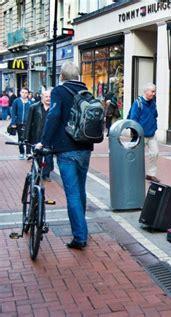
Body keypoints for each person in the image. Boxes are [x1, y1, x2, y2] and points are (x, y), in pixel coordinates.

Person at [38, 62, 93, 250]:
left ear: (61, 76)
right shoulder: (87, 91)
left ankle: (80, 236)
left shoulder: (59, 92)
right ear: (77, 75)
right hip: (85, 147)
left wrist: (43, 142)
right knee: (81, 189)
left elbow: (53, 117)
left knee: (72, 193)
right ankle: (82, 227)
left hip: (66, 148)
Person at [129, 83, 159, 182]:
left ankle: (151, 174)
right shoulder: (138, 103)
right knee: (137, 156)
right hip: (140, 134)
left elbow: (155, 115)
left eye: (154, 91)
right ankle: (135, 174)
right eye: (152, 91)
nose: (154, 94)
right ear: (146, 91)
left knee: (154, 153)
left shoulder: (153, 103)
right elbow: (133, 119)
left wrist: (154, 127)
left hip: (151, 134)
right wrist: (136, 133)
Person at [24, 88, 54, 181]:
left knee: (49, 158)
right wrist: (26, 138)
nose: (48, 98)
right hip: (37, 136)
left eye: (50, 96)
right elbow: (28, 123)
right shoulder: (34, 107)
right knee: (38, 157)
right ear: (42, 97)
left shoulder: (54, 107)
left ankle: (46, 174)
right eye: (46, 96)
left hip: (49, 138)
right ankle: (37, 172)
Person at [11, 87, 33, 159]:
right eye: (23, 92)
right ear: (20, 93)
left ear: (28, 94)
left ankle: (28, 153)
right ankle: (21, 152)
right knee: (20, 138)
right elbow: (13, 112)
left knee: (28, 138)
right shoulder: (16, 101)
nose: (24, 94)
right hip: (19, 123)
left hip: (28, 123)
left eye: (26, 93)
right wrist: (13, 123)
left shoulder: (31, 102)